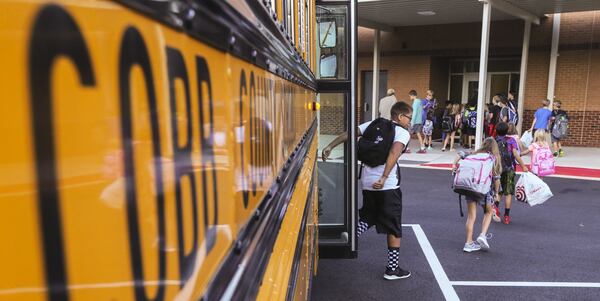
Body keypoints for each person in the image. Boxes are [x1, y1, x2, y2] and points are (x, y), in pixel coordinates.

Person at [322, 101, 413, 280]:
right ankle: (392, 269)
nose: (410, 121)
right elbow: (394, 154)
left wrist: (330, 146)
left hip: (367, 182)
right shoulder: (402, 132)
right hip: (386, 186)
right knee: (394, 226)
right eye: (409, 117)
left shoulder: (373, 124)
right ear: (400, 116)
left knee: (368, 217)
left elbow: (349, 133)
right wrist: (384, 177)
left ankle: (347, 236)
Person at [452, 137, 501, 252]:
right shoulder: (493, 158)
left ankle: (468, 243)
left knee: (471, 216)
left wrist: (454, 164)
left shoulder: (474, 154)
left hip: (470, 187)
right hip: (484, 189)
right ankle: (482, 235)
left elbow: (460, 153)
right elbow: (497, 178)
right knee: (488, 212)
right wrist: (497, 192)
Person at [494, 122, 529, 225]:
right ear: (507, 130)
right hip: (510, 168)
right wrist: (523, 166)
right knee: (508, 193)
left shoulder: (494, 141)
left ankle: (495, 208)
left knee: (499, 190)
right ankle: (506, 216)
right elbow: (516, 154)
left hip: (498, 168)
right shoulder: (511, 140)